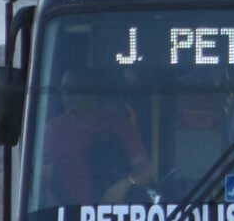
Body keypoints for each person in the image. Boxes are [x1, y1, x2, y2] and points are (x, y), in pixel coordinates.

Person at [44, 64, 157, 206]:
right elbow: (44, 181)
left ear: (93, 92)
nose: (67, 94)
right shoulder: (53, 130)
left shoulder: (119, 125)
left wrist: (126, 183)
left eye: (74, 89)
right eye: (64, 89)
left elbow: (146, 170)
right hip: (69, 216)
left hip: (111, 216)